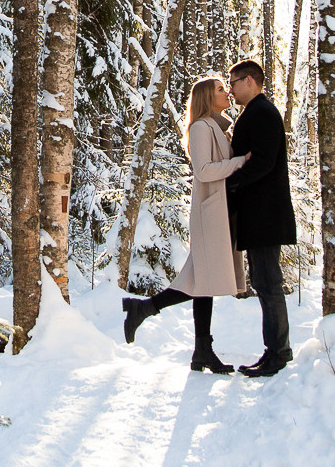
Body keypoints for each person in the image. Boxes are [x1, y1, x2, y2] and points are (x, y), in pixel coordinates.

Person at [121, 75, 248, 373]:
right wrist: (242, 161)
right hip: (209, 215)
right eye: (220, 89)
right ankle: (146, 310)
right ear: (207, 97)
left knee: (202, 283)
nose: (226, 92)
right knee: (202, 281)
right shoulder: (202, 127)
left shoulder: (216, 127)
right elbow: (204, 171)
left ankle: (199, 350)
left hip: (217, 212)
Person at [225, 58, 294, 377]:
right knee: (264, 282)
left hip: (266, 214)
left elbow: (263, 161)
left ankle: (278, 352)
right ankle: (276, 350)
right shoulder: (253, 113)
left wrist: (231, 181)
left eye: (234, 82)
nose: (231, 89)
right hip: (260, 214)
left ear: (250, 80)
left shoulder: (263, 113)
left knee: (268, 283)